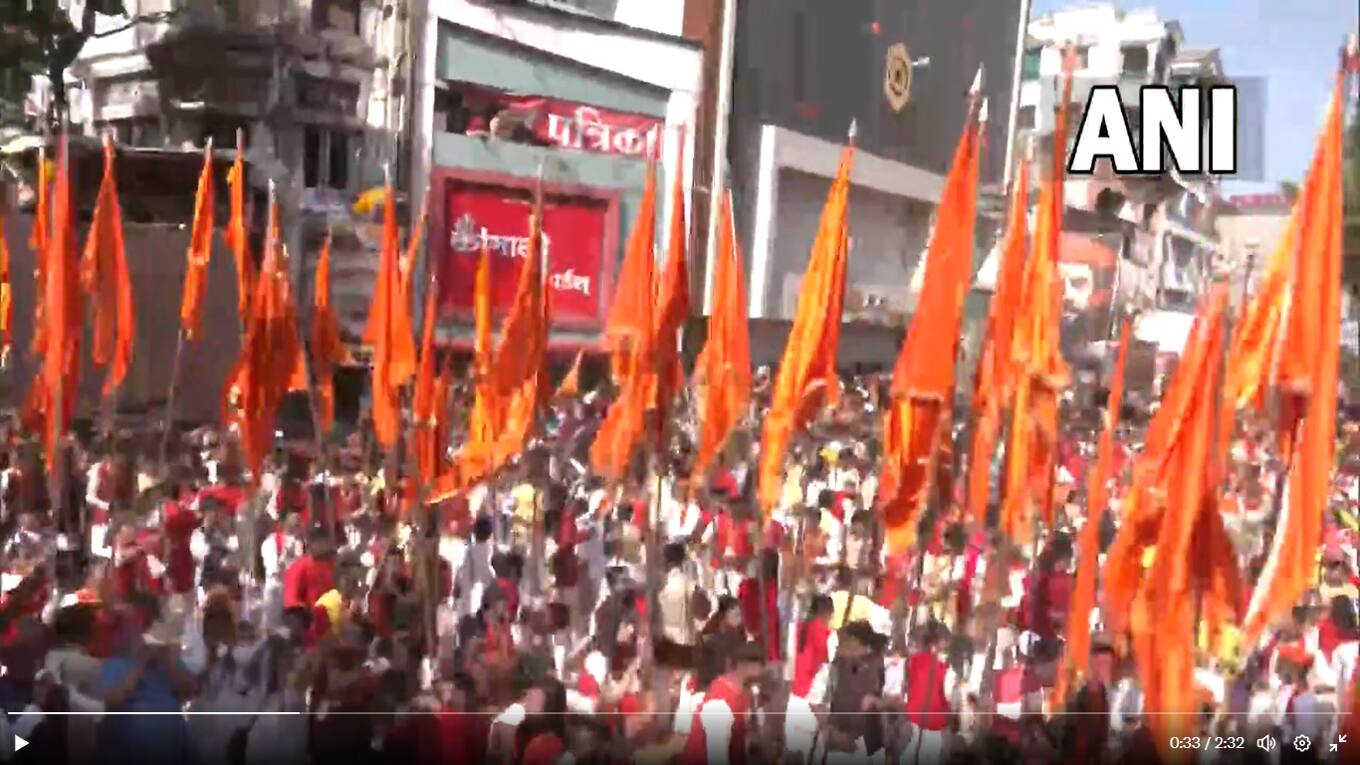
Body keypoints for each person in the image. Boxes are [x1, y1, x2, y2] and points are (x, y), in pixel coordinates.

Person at [679, 641, 765, 765]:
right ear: (743, 666)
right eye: (760, 664)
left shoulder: (743, 694)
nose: (763, 670)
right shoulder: (719, 704)